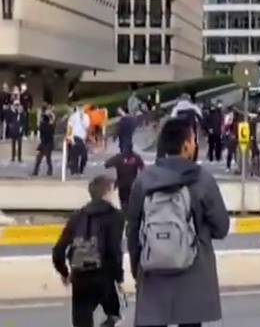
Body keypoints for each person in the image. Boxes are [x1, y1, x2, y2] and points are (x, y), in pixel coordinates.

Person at [125, 117, 230, 327]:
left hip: (152, 272)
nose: (195, 144)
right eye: (193, 140)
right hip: (194, 273)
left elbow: (133, 230)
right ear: (185, 146)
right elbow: (221, 228)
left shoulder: (144, 180)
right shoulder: (202, 179)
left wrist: (137, 268)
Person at [52, 175, 124, 327]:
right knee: (114, 314)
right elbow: (114, 250)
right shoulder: (116, 216)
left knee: (81, 322)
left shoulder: (77, 216)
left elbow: (58, 251)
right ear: (108, 192)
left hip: (80, 277)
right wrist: (119, 278)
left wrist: (65, 273)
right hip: (104, 278)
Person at [104, 143, 144, 211]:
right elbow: (143, 168)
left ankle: (124, 212)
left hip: (122, 183)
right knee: (132, 201)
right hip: (133, 183)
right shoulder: (136, 157)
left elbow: (106, 165)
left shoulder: (119, 157)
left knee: (123, 201)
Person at [67, 105, 91, 176]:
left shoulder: (86, 116)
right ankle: (75, 171)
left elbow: (87, 126)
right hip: (74, 137)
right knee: (75, 155)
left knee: (84, 156)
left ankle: (80, 170)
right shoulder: (73, 116)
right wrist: (69, 137)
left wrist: (82, 118)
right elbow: (69, 127)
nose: (81, 109)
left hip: (82, 138)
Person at [33, 105, 55, 176]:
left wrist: (42, 114)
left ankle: (36, 171)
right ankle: (49, 171)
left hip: (45, 143)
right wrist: (50, 115)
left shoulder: (43, 125)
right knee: (47, 159)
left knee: (40, 158)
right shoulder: (50, 126)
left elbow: (40, 122)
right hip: (48, 143)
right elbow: (52, 120)